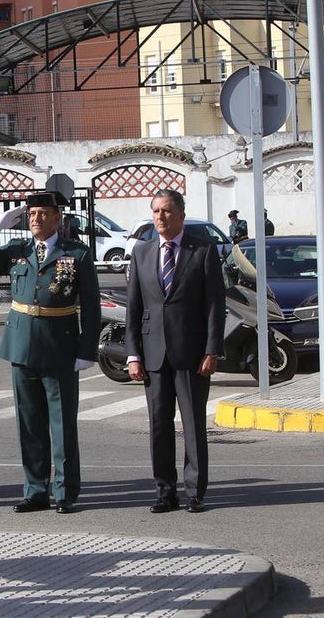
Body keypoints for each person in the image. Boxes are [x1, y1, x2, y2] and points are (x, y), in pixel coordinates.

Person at [0, 192, 100, 514]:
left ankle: (65, 491)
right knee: (29, 425)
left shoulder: (77, 255)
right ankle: (35, 490)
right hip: (22, 347)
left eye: (43, 213)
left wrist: (87, 351)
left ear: (57, 218)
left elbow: (92, 309)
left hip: (60, 348)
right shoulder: (18, 252)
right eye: (32, 214)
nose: (36, 219)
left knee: (62, 425)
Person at [125, 189, 225, 514]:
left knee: (193, 425)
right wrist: (133, 355)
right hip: (154, 354)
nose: (160, 217)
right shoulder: (142, 253)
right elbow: (134, 308)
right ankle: (165, 491)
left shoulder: (203, 252)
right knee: (159, 425)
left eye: (166, 211)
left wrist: (212, 350)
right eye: (155, 211)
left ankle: (194, 492)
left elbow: (214, 306)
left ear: (180, 215)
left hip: (192, 354)